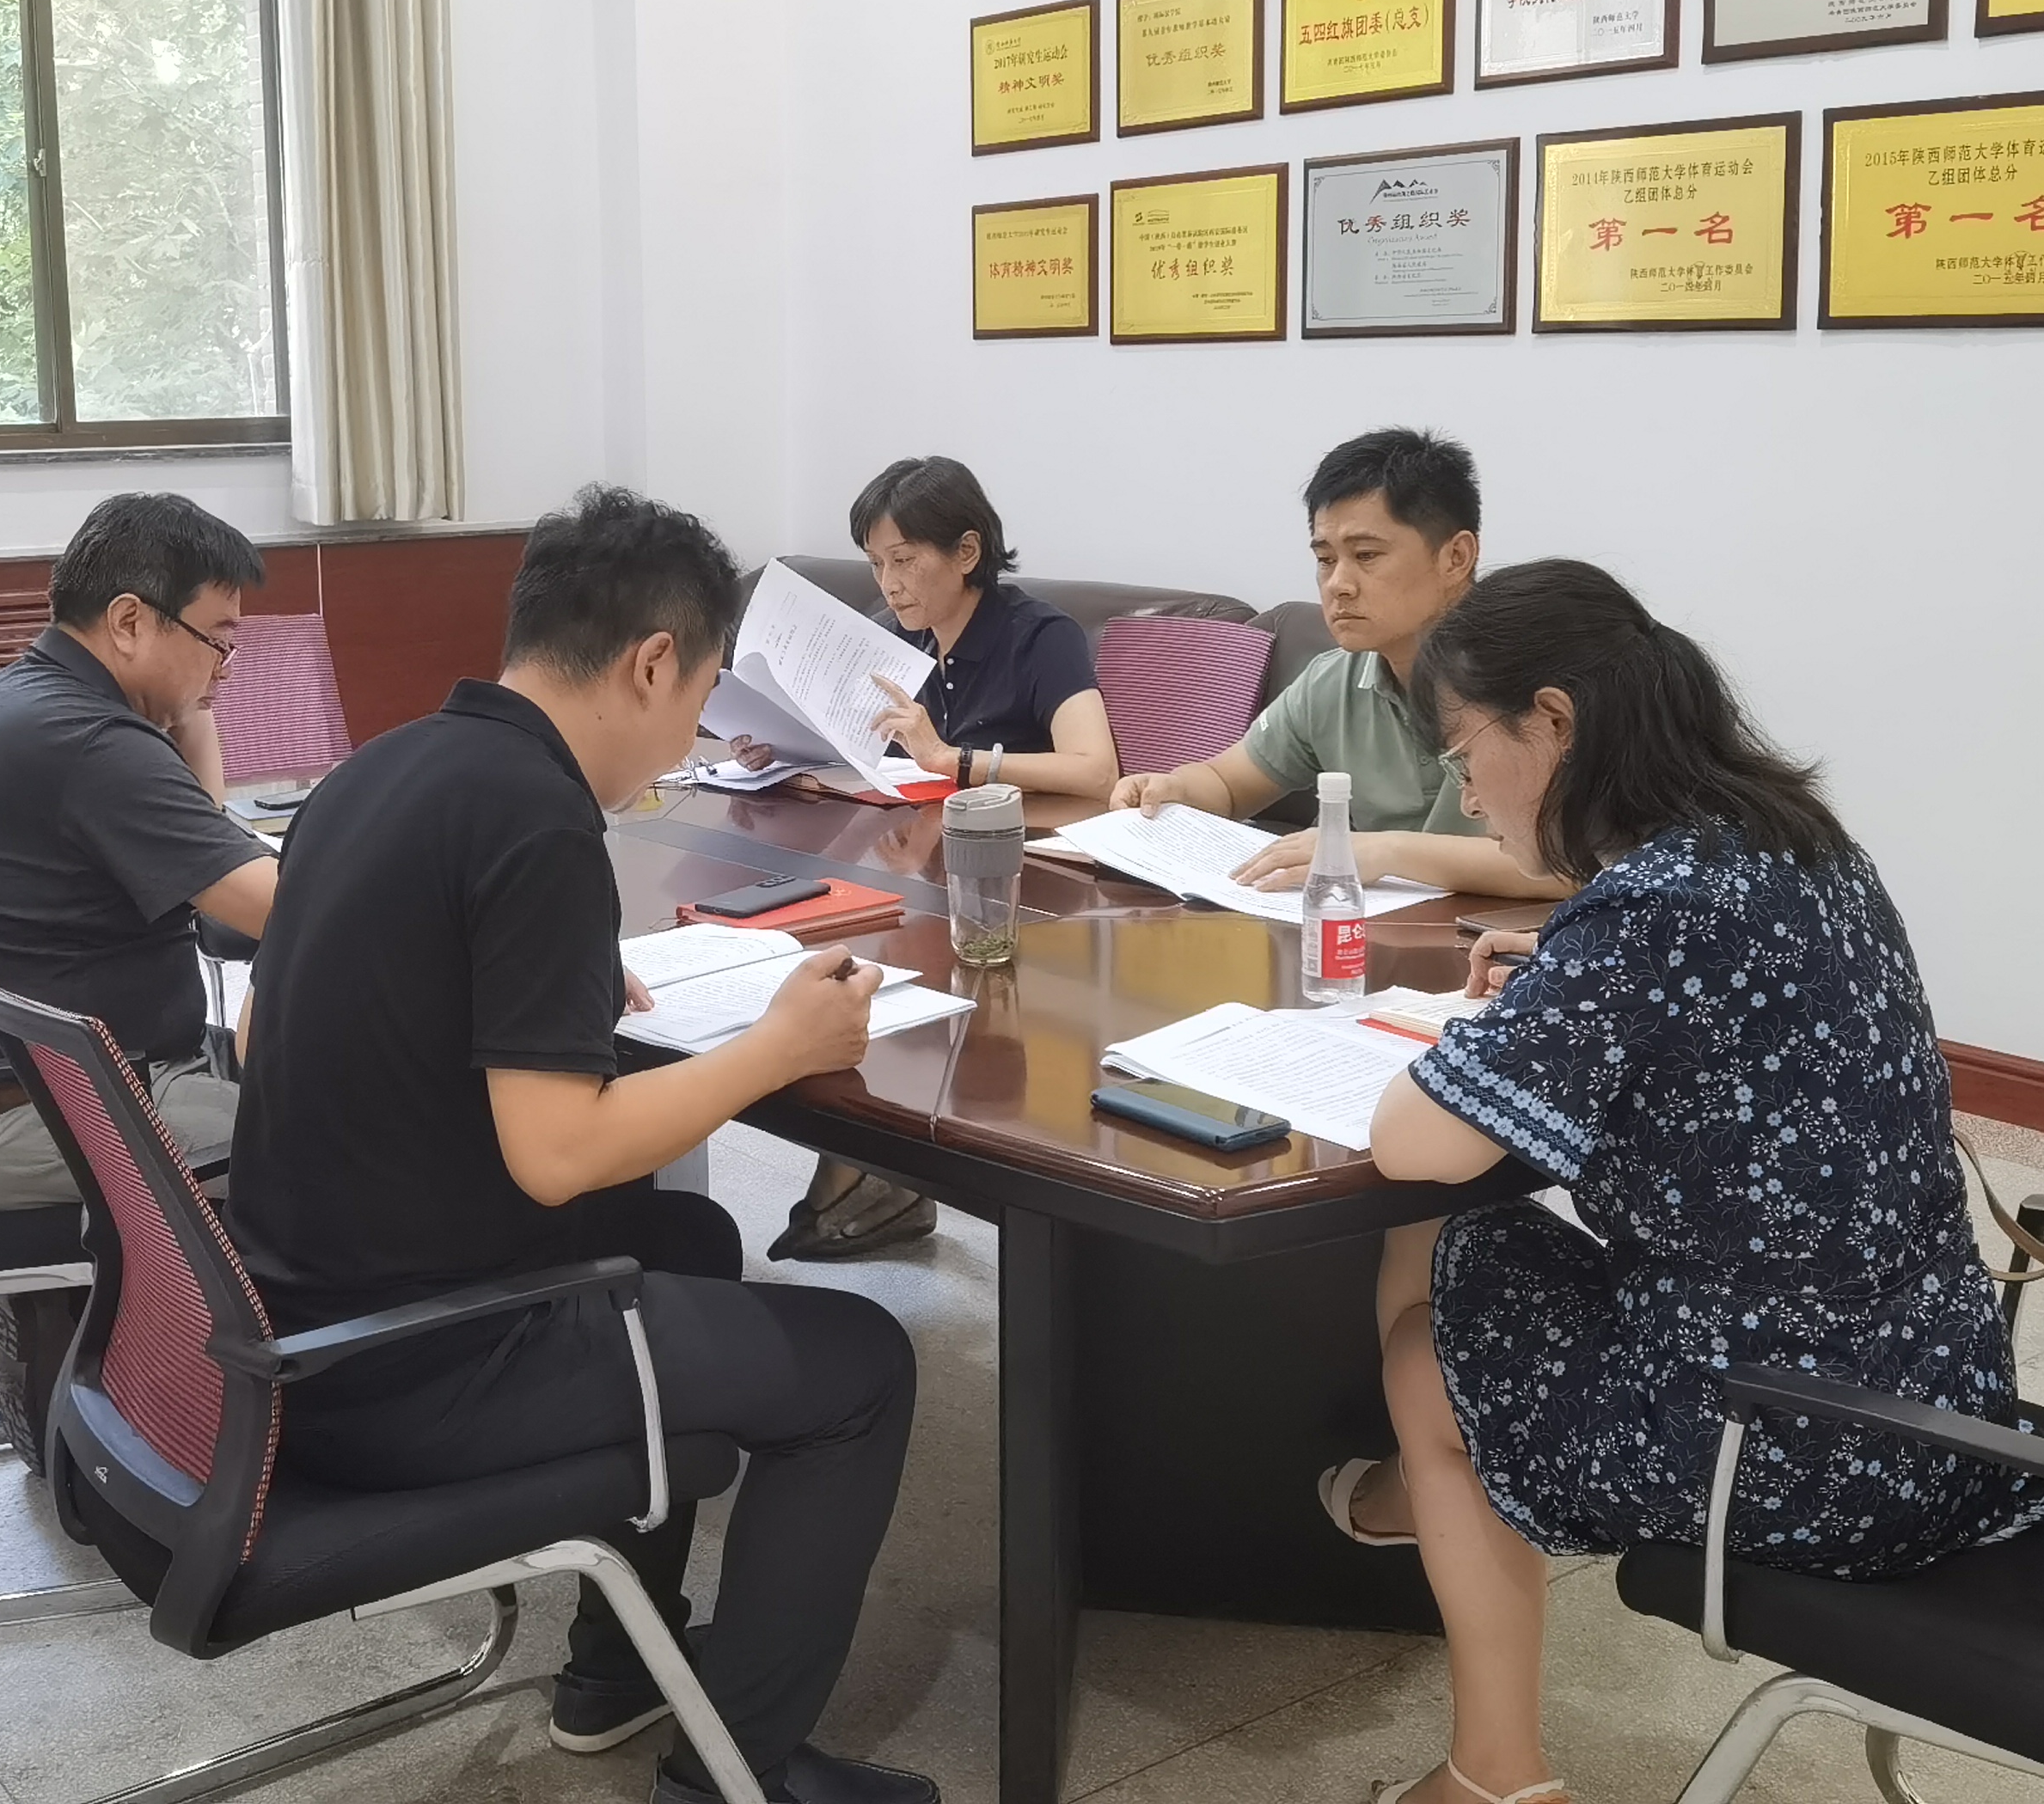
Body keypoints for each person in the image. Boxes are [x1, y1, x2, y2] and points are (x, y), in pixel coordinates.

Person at [224, 485, 933, 1804]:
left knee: (688, 1232)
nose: (691, 732)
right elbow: (557, 1157)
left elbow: (268, 1030)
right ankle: (736, 1776)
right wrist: (778, 1048)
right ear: (652, 662)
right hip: (416, 1368)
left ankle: (616, 1669)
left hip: (298, 1312)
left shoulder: (379, 768)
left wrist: (513, 986)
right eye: (702, 695)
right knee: (863, 1366)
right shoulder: (537, 816)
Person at [1323, 560, 2044, 1804]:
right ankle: (1420, 1491)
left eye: (1465, 750)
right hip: (1944, 1395)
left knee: (1426, 1343)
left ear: (1553, 721)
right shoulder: (1798, 841)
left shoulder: (1650, 911)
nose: (1466, 790)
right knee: (1475, 1254)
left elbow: (1413, 1144)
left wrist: (1498, 1024)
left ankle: (1494, 1774)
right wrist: (1564, 984)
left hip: (1791, 1438)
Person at [744, 456, 1115, 1259]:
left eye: (905, 560)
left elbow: (1096, 770)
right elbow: (859, 749)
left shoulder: (1039, 637)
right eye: (877, 563)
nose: (890, 583)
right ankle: (878, 1167)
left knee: (887, 971)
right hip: (922, 869)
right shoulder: (892, 637)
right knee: (833, 954)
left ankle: (885, 1177)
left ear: (967, 552)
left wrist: (957, 759)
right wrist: (778, 742)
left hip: (1028, 885)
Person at [0, 491, 279, 1213]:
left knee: (319, 1077)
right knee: (356, 1134)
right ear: (129, 622)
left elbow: (201, 841)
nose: (226, 666)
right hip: (14, 1126)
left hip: (52, 1087)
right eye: (217, 640)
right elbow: (286, 910)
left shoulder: (30, 696)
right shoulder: (92, 743)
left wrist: (191, 702)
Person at [1109, 427, 1559, 901]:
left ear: (1456, 557)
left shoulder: (1534, 676)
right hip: (1374, 930)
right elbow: (1227, 783)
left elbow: (1582, 865)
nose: (1339, 584)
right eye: (1325, 560)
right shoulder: (1334, 680)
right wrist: (1172, 791)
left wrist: (1386, 851)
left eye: (1366, 556)